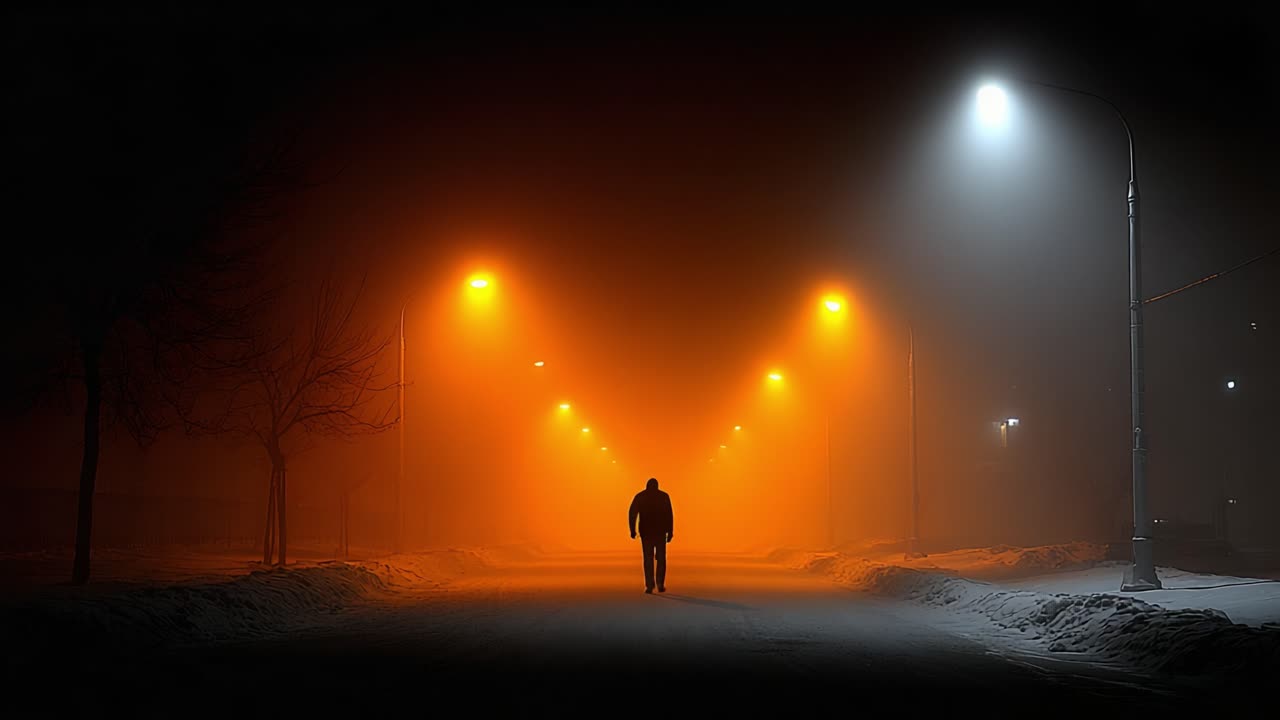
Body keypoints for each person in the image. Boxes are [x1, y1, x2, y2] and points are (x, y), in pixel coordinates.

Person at [628, 477, 674, 594]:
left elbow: (632, 513)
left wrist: (632, 530)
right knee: (661, 558)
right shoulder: (663, 497)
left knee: (648, 558)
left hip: (646, 533)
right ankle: (660, 583)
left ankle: (649, 585)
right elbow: (669, 515)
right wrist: (670, 531)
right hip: (660, 532)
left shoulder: (641, 497)